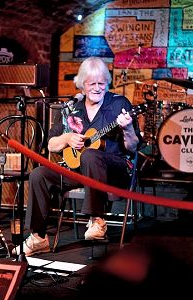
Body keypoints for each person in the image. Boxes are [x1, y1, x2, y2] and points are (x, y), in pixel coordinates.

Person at [13, 56, 142, 256]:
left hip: (115, 170)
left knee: (90, 155)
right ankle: (38, 237)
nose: (98, 88)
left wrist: (127, 129)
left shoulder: (119, 104)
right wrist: (67, 138)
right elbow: (51, 145)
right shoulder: (72, 108)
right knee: (39, 174)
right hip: (80, 170)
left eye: (102, 83)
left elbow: (133, 147)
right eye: (92, 84)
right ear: (82, 85)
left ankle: (97, 220)